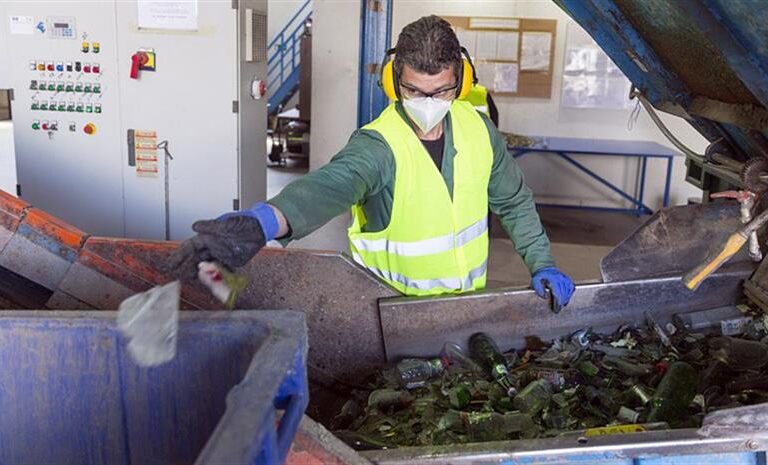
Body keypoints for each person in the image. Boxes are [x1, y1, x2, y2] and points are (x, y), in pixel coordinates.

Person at [168, 15, 574, 306]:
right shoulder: (378, 145)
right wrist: (262, 222)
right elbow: (329, 186)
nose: (429, 104)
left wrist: (542, 263)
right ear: (394, 82)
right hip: (386, 311)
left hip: (464, 307)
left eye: (443, 91)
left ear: (462, 82)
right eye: (415, 91)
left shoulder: (478, 130)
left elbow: (514, 202)